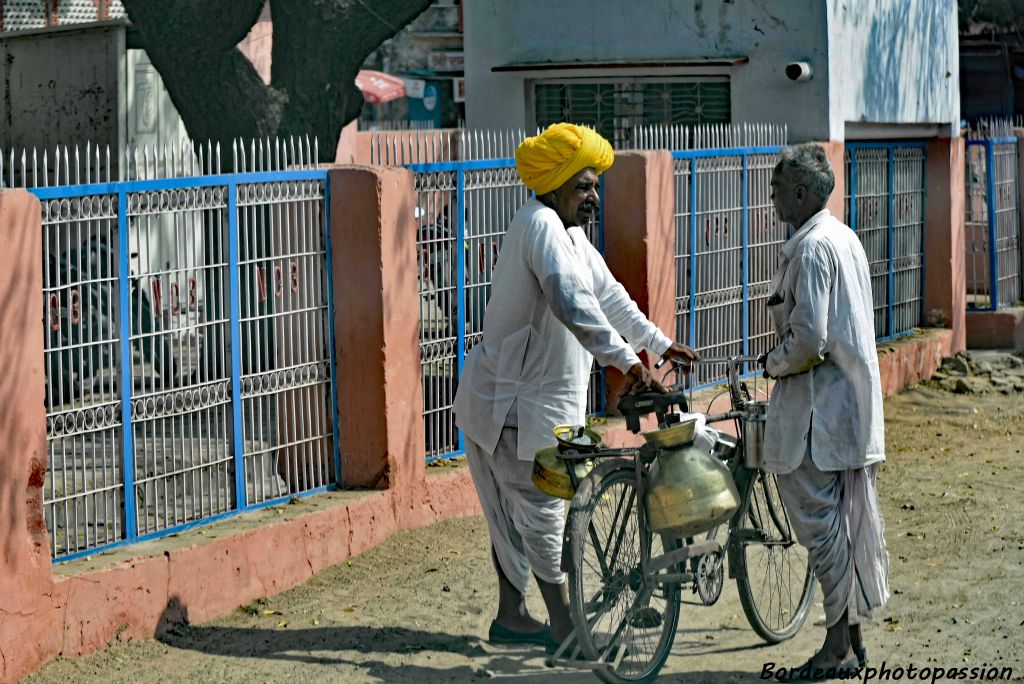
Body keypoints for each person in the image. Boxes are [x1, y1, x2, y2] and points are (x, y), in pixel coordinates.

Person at [452, 123, 697, 650]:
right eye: (584, 186)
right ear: (556, 185)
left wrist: (657, 341)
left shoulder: (572, 235)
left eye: (595, 186)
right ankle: (566, 629)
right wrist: (629, 365)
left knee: (539, 513)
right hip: (514, 409)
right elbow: (571, 303)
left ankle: (512, 617)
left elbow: (607, 296)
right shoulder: (539, 224)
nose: (593, 196)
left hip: (558, 410)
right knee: (542, 514)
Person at [761, 144, 889, 680]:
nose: (771, 197)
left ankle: (836, 647)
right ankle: (850, 639)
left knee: (821, 528)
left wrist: (771, 363)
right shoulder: (843, 237)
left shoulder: (814, 249)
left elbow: (810, 338)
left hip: (821, 414)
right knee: (842, 523)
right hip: (845, 408)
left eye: (777, 187)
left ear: (802, 193)